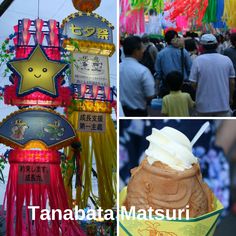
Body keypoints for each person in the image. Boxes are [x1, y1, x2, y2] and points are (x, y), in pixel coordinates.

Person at [189, 34, 235, 116]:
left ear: (201, 46)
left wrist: (202, 90)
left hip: (203, 107)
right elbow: (232, 82)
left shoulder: (197, 61)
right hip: (223, 105)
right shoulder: (226, 60)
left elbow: (193, 83)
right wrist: (230, 98)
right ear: (216, 45)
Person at [120, 36, 155, 117]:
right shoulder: (143, 70)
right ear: (136, 51)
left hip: (121, 112)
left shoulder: (118, 67)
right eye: (142, 49)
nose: (143, 51)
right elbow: (150, 95)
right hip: (138, 112)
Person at [155, 30, 192, 97]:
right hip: (182, 86)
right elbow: (190, 68)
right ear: (175, 38)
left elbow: (158, 74)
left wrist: (157, 90)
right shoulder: (183, 51)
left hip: (167, 87)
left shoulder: (160, 54)